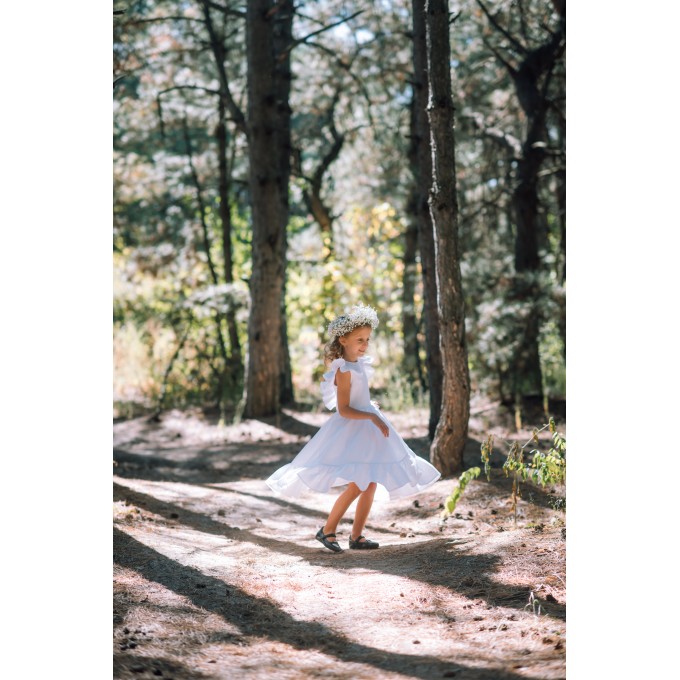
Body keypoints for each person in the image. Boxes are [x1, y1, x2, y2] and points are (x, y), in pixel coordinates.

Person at [265, 303, 441, 553]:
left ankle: (357, 536)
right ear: (344, 339)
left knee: (369, 483)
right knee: (359, 483)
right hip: (353, 428)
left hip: (366, 425)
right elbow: (344, 409)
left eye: (367, 339)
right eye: (359, 339)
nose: (364, 344)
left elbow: (359, 398)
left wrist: (370, 406)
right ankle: (327, 529)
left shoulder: (358, 364)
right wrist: (371, 417)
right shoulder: (344, 369)